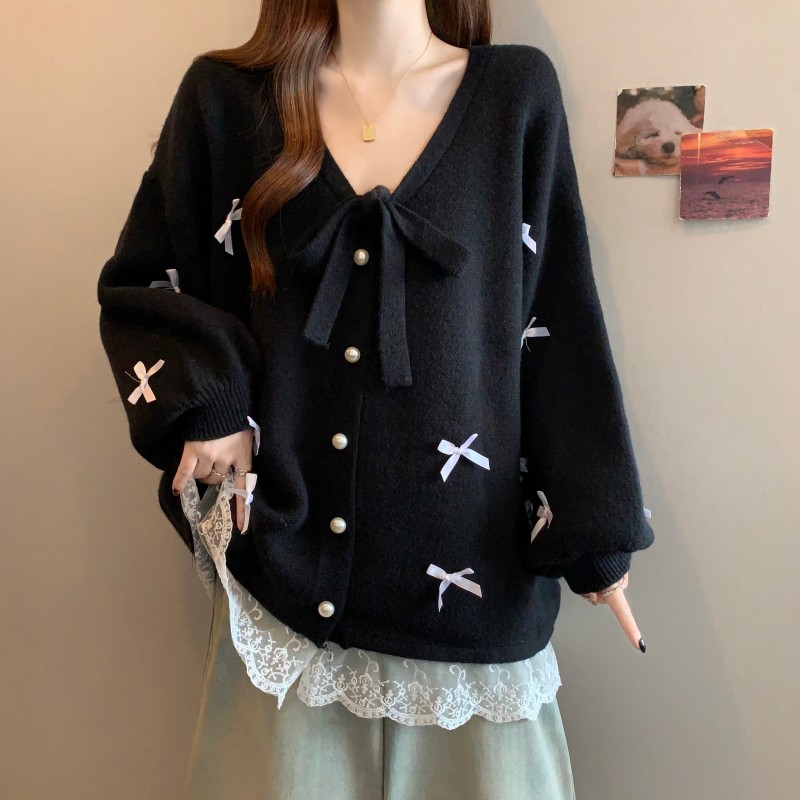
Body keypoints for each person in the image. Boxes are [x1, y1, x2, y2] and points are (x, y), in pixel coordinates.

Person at [97, 1, 655, 797]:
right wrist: (210, 402)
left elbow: (554, 316)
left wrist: (594, 530)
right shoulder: (224, 101)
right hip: (286, 600)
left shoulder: (514, 95)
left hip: (475, 595)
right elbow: (146, 281)